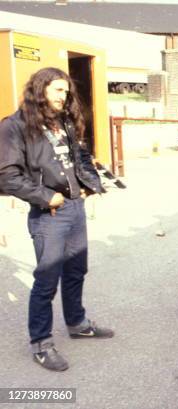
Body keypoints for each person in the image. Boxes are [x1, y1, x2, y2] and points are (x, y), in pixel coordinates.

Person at [0, 67, 113, 372]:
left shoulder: (63, 121)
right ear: (40, 89)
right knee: (47, 280)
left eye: (66, 90)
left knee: (77, 270)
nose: (65, 96)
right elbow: (6, 176)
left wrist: (90, 185)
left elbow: (80, 155)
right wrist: (45, 197)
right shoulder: (15, 126)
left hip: (74, 208)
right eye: (58, 90)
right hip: (48, 213)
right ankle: (41, 343)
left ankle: (77, 323)